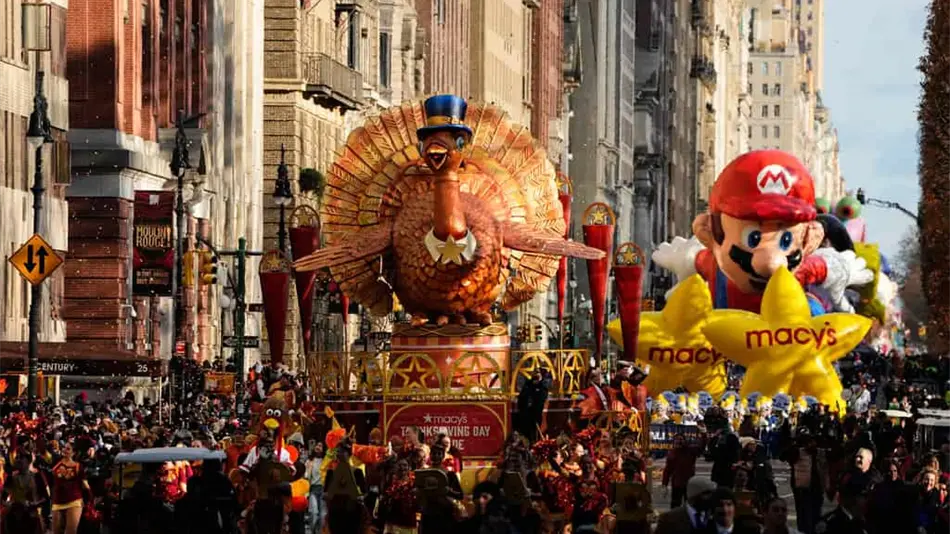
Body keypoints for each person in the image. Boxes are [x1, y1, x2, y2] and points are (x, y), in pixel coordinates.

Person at [51, 442, 89, 534]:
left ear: (73, 453)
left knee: (70, 532)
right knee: (56, 531)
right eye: (64, 448)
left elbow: (85, 485)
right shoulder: (56, 463)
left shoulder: (78, 466)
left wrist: (89, 498)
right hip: (57, 501)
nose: (65, 450)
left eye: (68, 449)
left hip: (74, 501)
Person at [663, 433, 700, 508]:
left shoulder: (690, 451)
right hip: (677, 483)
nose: (678, 442)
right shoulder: (672, 453)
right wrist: (664, 484)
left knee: (689, 504)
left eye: (681, 440)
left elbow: (701, 448)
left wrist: (704, 434)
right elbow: (667, 470)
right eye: (676, 440)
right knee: (675, 504)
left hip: (689, 482)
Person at [516, 368, 550, 442]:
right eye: (535, 373)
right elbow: (522, 398)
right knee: (526, 433)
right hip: (525, 414)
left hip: (536, 413)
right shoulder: (528, 385)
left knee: (535, 433)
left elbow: (542, 398)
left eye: (537, 373)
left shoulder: (542, 387)